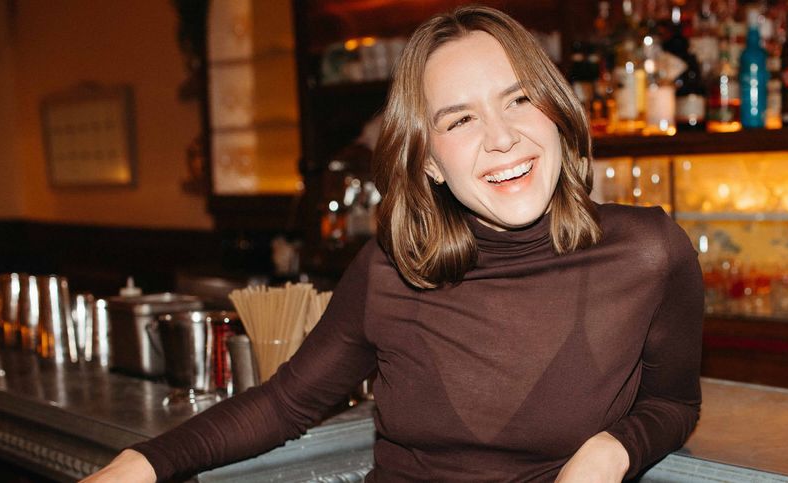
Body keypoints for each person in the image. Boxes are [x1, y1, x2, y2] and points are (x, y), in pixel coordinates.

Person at [83, 6, 702, 482]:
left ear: (557, 115)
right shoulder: (392, 266)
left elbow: (672, 402)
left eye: (518, 100)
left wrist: (610, 451)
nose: (501, 138)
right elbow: (285, 404)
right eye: (460, 119)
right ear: (429, 161)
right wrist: (141, 464)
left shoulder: (648, 252)